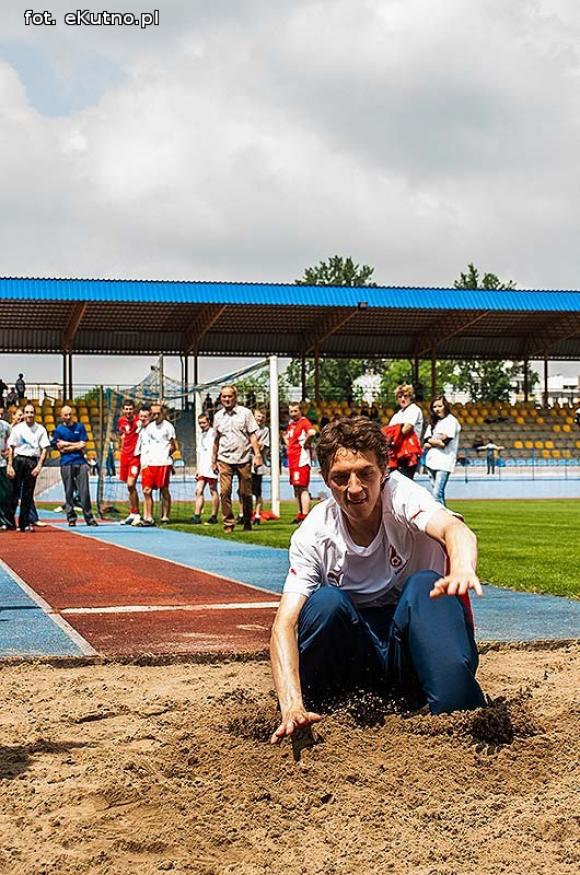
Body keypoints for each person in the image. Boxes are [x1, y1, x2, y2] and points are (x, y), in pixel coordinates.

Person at [270, 417, 485, 744]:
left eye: (365, 473)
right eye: (341, 477)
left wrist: (461, 569)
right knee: (326, 603)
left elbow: (455, 529)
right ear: (326, 481)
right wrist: (290, 705)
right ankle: (316, 711)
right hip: (354, 665)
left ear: (384, 471)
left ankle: (454, 709)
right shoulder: (314, 533)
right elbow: (284, 624)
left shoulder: (403, 496)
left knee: (426, 586)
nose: (354, 488)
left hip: (412, 654)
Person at [212, 385, 263, 533]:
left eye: (230, 396)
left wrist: (257, 455)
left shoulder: (245, 413)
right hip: (224, 458)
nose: (227, 399)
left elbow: (253, 435)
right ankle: (228, 522)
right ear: (220, 398)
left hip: (243, 458)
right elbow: (216, 440)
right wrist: (213, 460)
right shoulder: (218, 416)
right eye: (224, 397)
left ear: (235, 397)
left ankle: (247, 520)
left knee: (245, 493)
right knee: (225, 491)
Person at [7, 403, 50, 532]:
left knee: (27, 494)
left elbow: (44, 449)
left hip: (31, 461)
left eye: (32, 412)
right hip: (18, 460)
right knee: (13, 493)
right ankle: (10, 522)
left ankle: (24, 523)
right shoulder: (17, 429)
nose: (29, 415)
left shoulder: (40, 429)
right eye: (27, 412)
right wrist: (10, 465)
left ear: (35, 414)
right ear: (24, 414)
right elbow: (11, 447)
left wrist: (39, 466)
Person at [52, 405, 98, 527]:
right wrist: (75, 446)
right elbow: (59, 447)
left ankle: (89, 517)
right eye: (65, 415)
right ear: (61, 416)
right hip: (66, 463)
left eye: (70, 414)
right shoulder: (59, 430)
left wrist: (67, 445)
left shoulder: (80, 427)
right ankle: (71, 517)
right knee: (68, 491)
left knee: (84, 491)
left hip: (81, 462)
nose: (68, 417)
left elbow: (82, 445)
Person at [136, 404, 176, 527]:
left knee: (164, 490)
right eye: (153, 414)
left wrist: (165, 454)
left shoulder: (168, 427)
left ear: (163, 413)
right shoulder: (148, 428)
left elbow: (174, 445)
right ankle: (148, 517)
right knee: (146, 491)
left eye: (158, 413)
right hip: (149, 463)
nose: (156, 416)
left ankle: (165, 516)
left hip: (163, 463)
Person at [422, 396, 462, 507]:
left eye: (440, 406)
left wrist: (432, 442)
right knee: (437, 492)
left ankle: (443, 520)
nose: (437, 409)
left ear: (445, 406)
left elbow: (445, 442)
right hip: (431, 460)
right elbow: (426, 440)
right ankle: (444, 517)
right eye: (434, 407)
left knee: (437, 493)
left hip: (445, 461)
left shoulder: (451, 421)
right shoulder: (433, 422)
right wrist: (436, 440)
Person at [284, 403, 316, 524]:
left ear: (300, 411)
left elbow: (312, 432)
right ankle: (300, 513)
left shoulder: (304, 422)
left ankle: (305, 515)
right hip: (292, 459)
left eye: (295, 411)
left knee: (302, 487)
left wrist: (307, 443)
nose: (293, 413)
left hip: (301, 459)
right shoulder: (291, 425)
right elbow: (287, 437)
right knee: (296, 488)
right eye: (291, 411)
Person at [386, 384, 424, 479]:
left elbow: (406, 429)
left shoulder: (414, 409)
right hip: (396, 453)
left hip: (409, 453)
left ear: (411, 397)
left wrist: (394, 435)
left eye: (406, 396)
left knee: (405, 482)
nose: (403, 399)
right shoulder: (397, 415)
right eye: (400, 397)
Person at [191, 412, 219, 525]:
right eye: (200, 423)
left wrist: (215, 462)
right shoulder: (201, 435)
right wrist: (198, 468)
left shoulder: (213, 433)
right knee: (199, 490)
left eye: (203, 422)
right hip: (203, 467)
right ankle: (197, 515)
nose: (201, 425)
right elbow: (200, 452)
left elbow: (216, 448)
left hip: (212, 466)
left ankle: (214, 516)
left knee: (213, 490)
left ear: (209, 422)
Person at [117, 399, 142, 525]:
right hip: (124, 457)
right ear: (123, 410)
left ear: (134, 410)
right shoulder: (121, 421)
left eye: (130, 409)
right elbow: (122, 436)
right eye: (126, 409)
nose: (128, 411)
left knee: (131, 484)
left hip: (135, 457)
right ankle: (132, 513)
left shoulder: (139, 421)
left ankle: (137, 513)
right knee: (128, 486)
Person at [251, 407, 270, 525]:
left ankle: (257, 514)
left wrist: (253, 444)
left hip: (258, 464)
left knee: (257, 491)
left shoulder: (265, 430)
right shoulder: (248, 428)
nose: (260, 419)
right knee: (244, 490)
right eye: (258, 416)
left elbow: (262, 446)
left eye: (262, 417)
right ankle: (244, 513)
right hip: (246, 462)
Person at [0, 405, 12, 529]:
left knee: (4, 493)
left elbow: (13, 439)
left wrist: (9, 450)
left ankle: (4, 521)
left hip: (2, 463)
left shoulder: (5, 425)